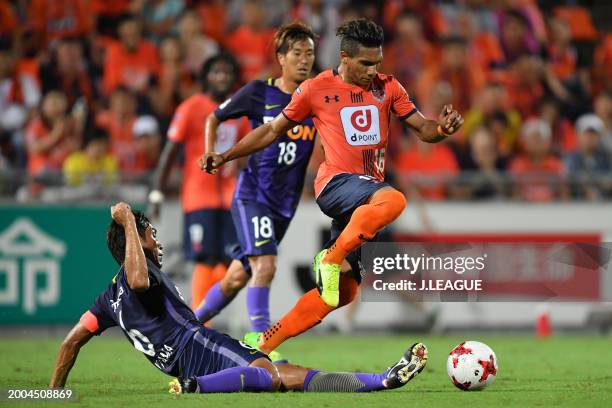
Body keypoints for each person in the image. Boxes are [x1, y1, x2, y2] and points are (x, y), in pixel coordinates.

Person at [201, 19, 463, 354]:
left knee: (343, 293)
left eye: (377, 63)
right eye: (365, 64)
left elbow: (423, 128)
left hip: (365, 199)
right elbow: (271, 131)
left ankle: (264, 342)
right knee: (394, 202)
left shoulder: (389, 87)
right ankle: (329, 258)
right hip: (336, 184)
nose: (372, 70)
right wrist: (225, 155)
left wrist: (441, 129)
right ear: (345, 57)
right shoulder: (316, 88)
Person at [49, 202, 428, 394]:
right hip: (197, 346)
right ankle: (196, 386)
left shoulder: (106, 300)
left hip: (187, 356)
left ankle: (381, 380)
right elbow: (138, 277)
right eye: (151, 234)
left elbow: (71, 343)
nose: (157, 241)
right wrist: (130, 220)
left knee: (285, 376)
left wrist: (53, 393)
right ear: (136, 240)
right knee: (266, 374)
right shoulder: (139, 275)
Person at [193, 22, 317, 338]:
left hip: (284, 205)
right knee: (266, 265)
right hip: (254, 196)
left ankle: (188, 326)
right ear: (281, 58)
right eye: (297, 53)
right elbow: (214, 117)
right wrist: (212, 151)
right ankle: (262, 342)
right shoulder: (259, 92)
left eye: (310, 54)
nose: (305, 60)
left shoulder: (317, 98)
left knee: (236, 277)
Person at [149, 53, 248, 311]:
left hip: (231, 197)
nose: (222, 76)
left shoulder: (240, 110)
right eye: (216, 71)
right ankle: (201, 322)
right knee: (205, 259)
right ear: (206, 77)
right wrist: (157, 193)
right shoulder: (192, 107)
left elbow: (249, 153)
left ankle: (202, 314)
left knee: (233, 263)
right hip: (199, 197)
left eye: (227, 72)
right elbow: (169, 152)